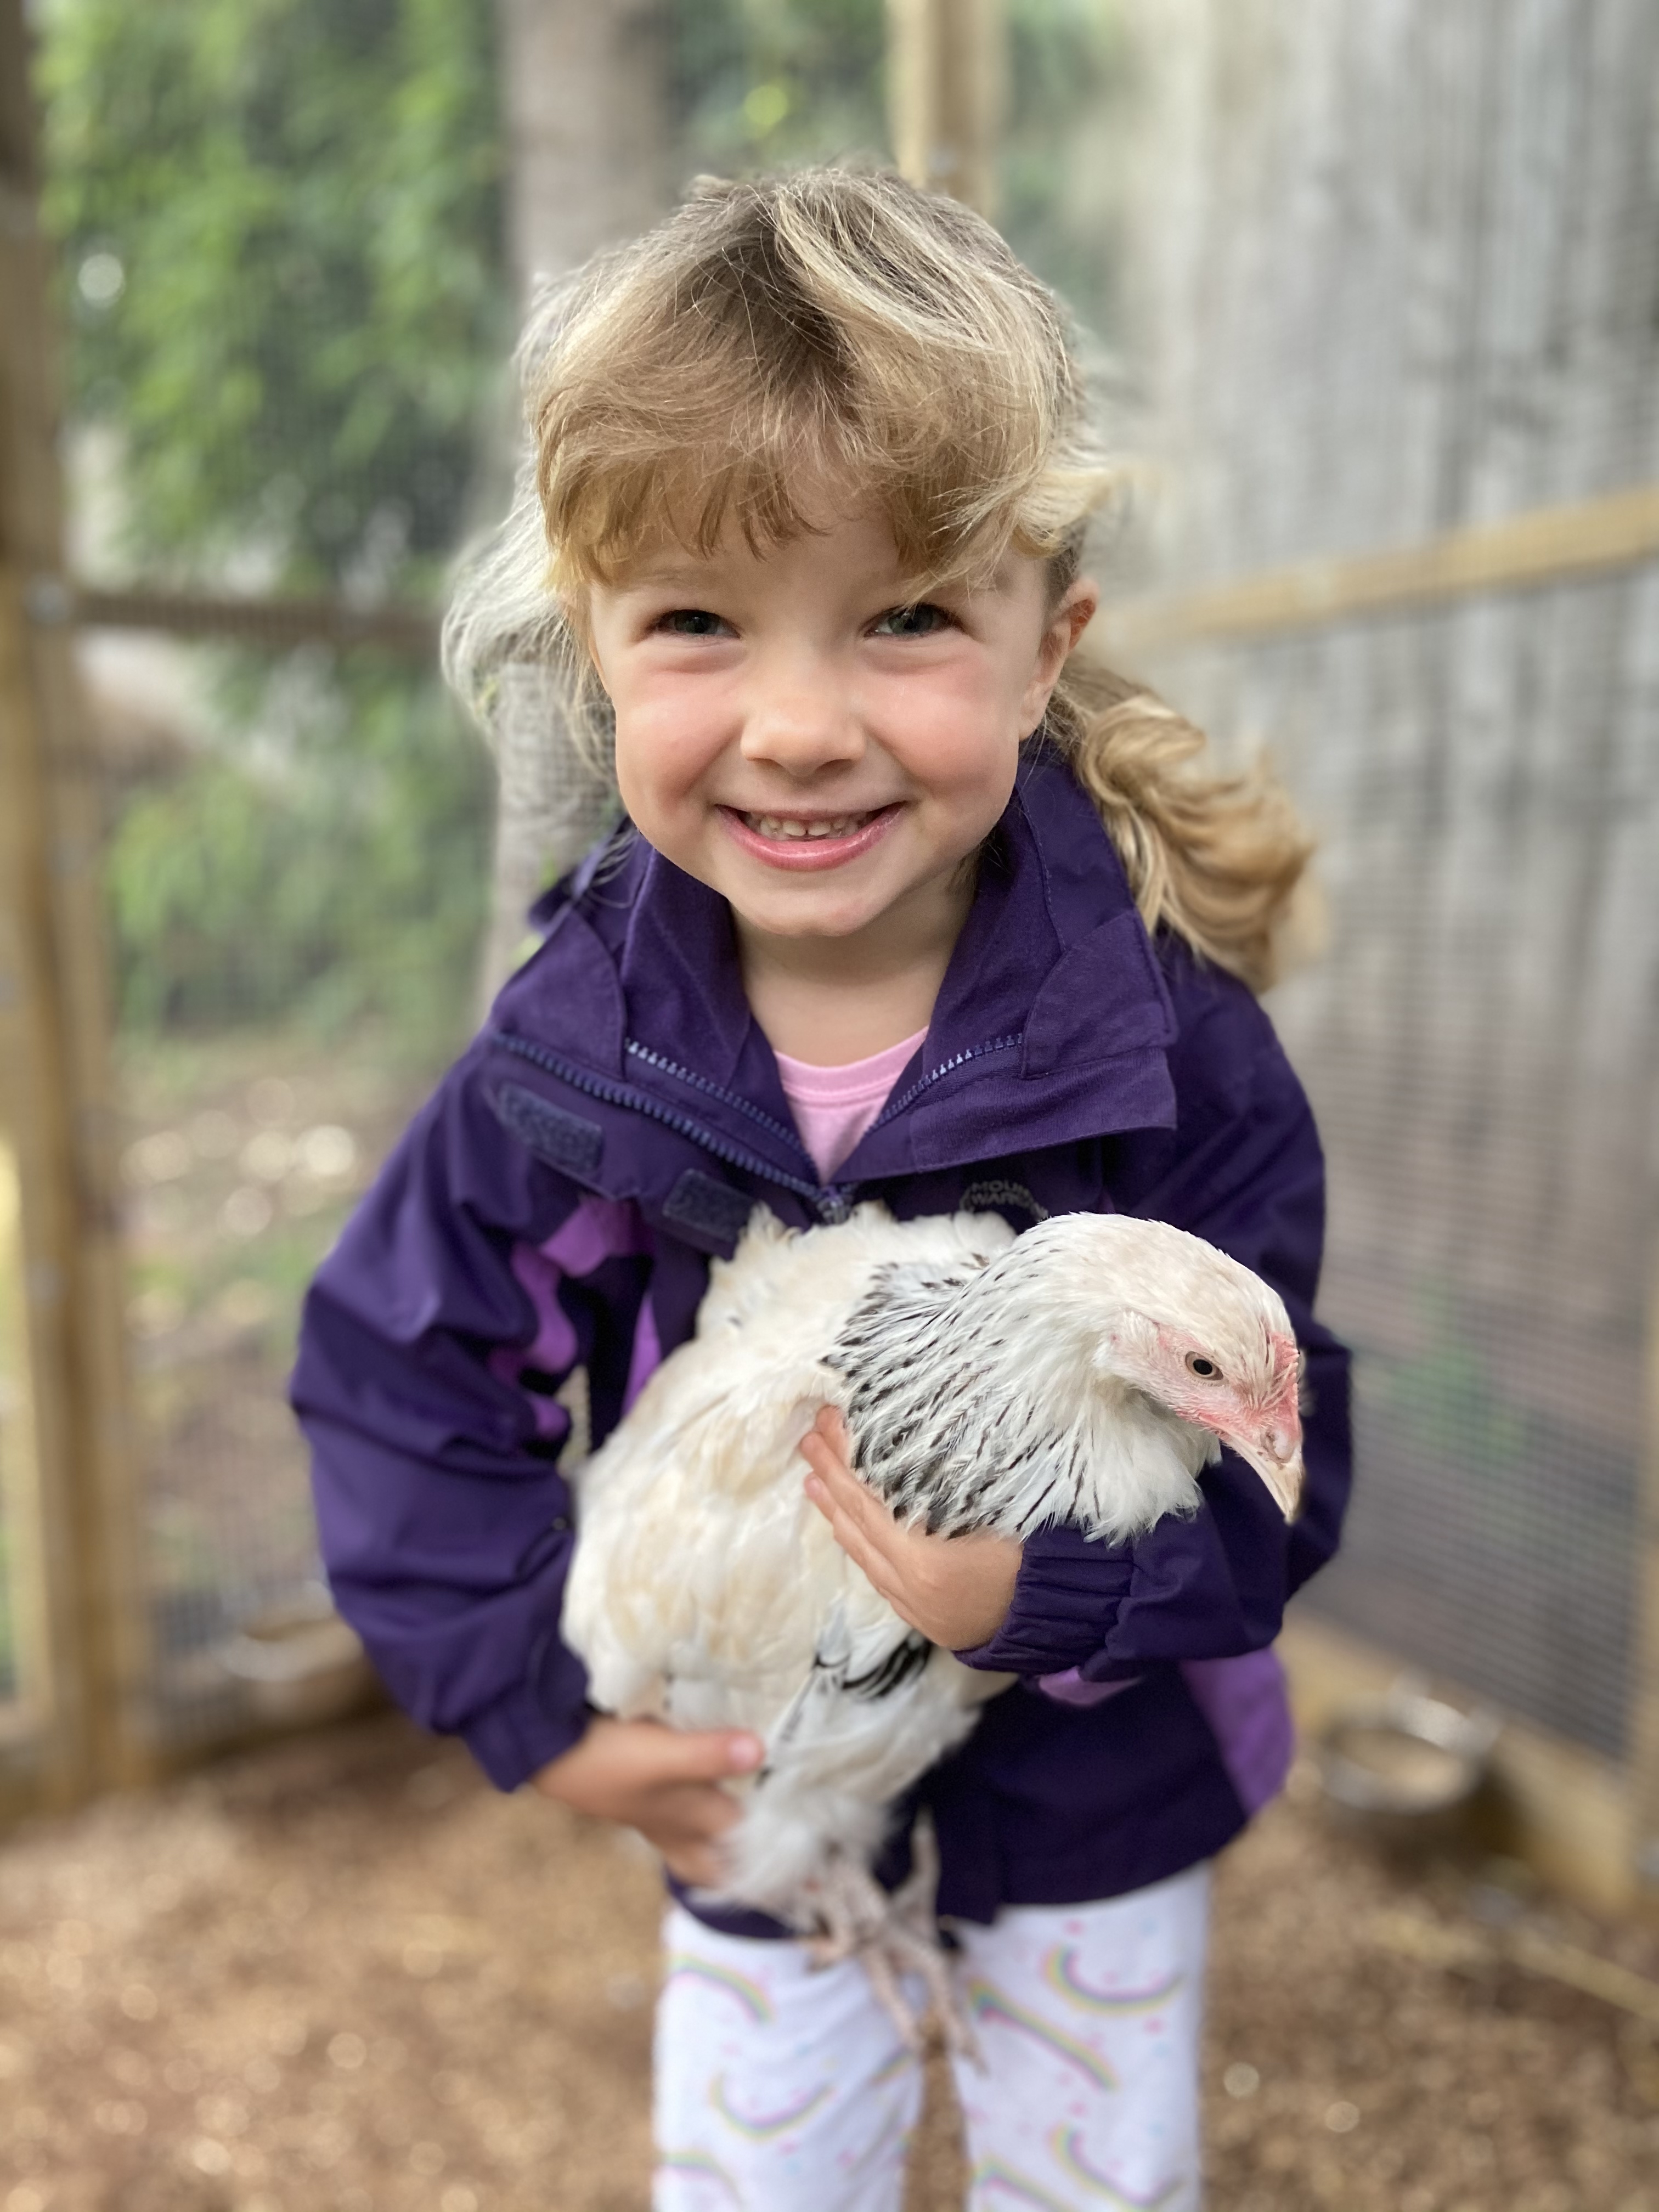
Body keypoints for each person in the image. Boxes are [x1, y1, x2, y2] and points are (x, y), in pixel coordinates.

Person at [292, 167, 1351, 2212]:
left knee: (1099, 2177)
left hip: (1103, 1792)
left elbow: (1282, 1437)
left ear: (1051, 650)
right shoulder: (573, 1063)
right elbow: (395, 1377)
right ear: (595, 659)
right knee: (767, 2178)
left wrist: (1034, 1600)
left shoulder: (1170, 1042)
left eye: (907, 617)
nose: (798, 726)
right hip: (767, 1779)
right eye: (699, 620)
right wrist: (541, 1714)